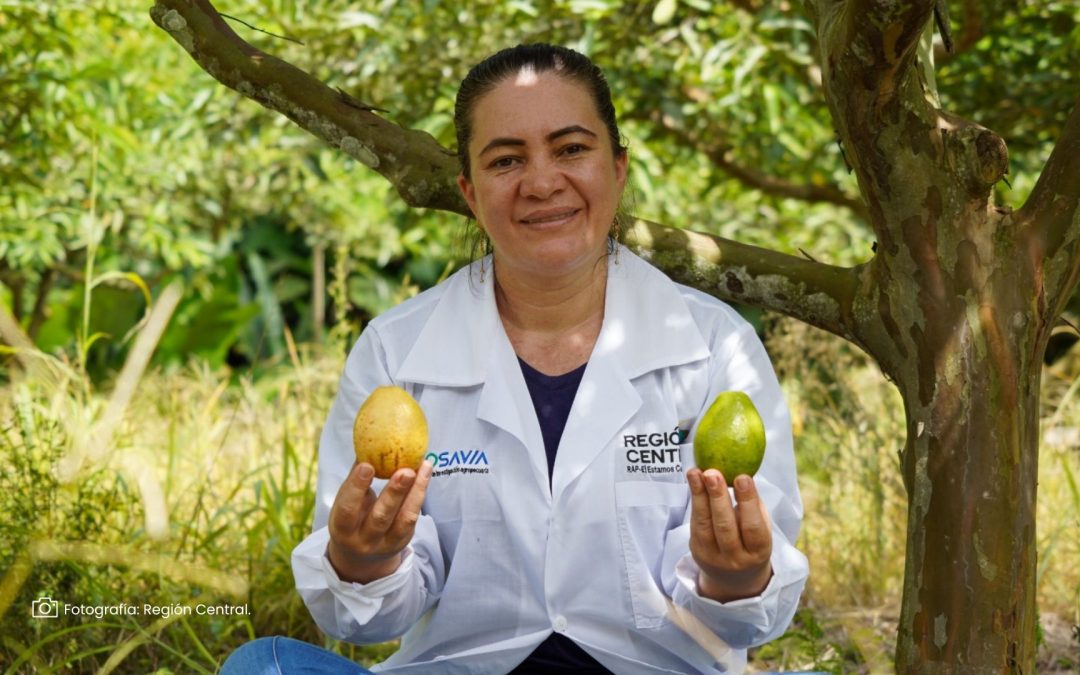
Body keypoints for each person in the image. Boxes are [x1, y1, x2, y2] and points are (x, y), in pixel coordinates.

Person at [223, 43, 808, 674]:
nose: (542, 183)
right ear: (471, 193)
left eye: (571, 149)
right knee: (261, 668)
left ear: (618, 169)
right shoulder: (398, 350)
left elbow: (754, 615)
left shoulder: (714, 346)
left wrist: (734, 577)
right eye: (506, 160)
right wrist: (365, 561)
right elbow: (364, 620)